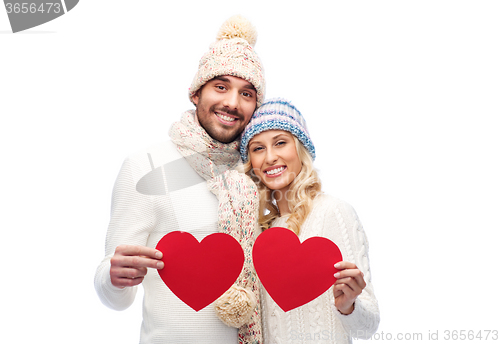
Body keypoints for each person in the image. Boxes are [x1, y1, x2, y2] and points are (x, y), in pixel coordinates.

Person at [94, 15, 265, 344]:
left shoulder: (259, 173)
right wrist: (114, 278)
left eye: (247, 93)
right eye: (220, 86)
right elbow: (112, 295)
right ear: (196, 94)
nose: (232, 102)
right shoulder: (145, 165)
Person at [239, 98, 380, 343]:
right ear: (251, 162)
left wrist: (349, 306)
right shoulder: (259, 233)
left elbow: (366, 329)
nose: (270, 157)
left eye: (280, 143)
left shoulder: (334, 211)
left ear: (300, 149)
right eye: (258, 148)